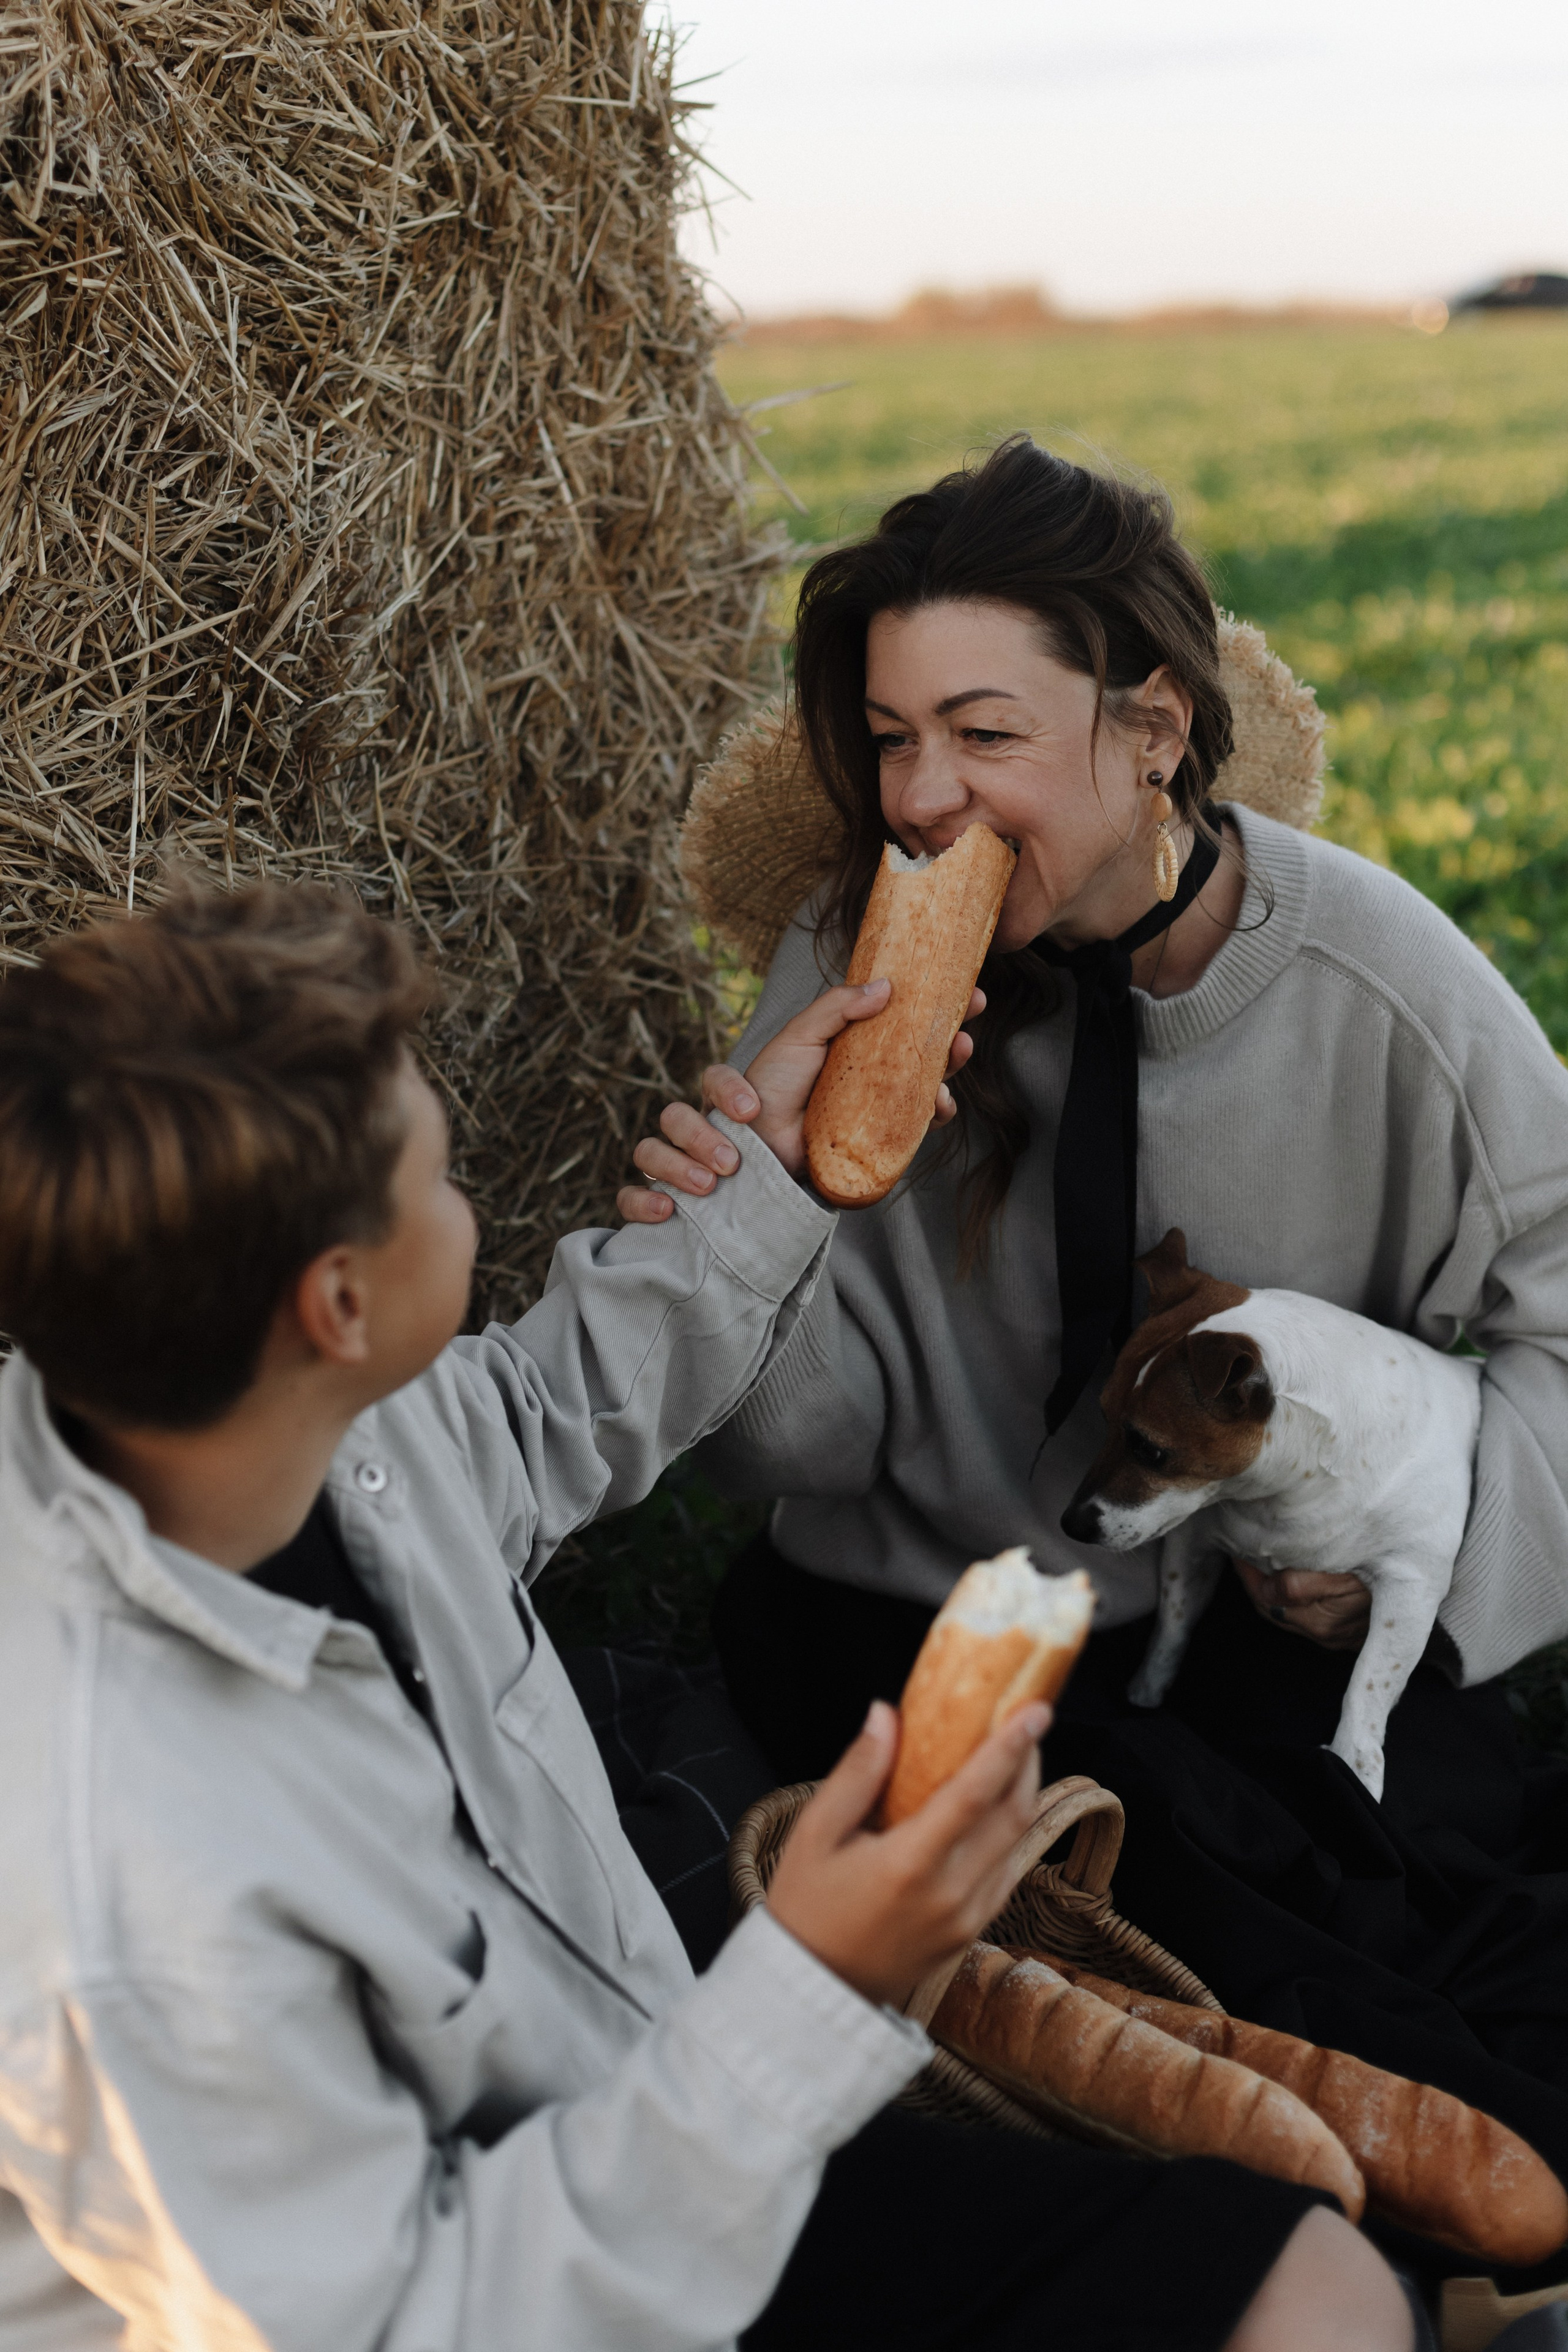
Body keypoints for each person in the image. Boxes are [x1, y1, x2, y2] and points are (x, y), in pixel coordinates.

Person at [0, 876, 1412, 2351]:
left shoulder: (222, 1402)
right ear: (336, 1306)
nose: (463, 1186)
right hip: (534, 2284)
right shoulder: (123, 1898)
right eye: (433, 1172)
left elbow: (528, 1418)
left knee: (1306, 2293)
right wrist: (814, 1981)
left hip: (656, 2122)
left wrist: (770, 1180)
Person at [624, 434, 1568, 2289]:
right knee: (1221, 2008)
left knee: (1427, 1959)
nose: (923, 799)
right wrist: (740, 1244)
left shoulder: (1378, 978)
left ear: (1150, 734)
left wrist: (1424, 1550)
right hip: (920, 1645)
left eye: (983, 735)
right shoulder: (851, 961)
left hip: (1244, 1655)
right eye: (892, 738)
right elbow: (809, 1444)